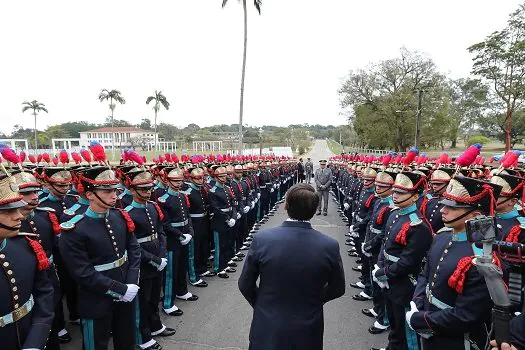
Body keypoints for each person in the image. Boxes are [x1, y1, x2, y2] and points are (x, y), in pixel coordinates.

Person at [238, 183, 346, 350]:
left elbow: (245, 284)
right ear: (314, 209)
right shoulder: (329, 245)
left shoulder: (263, 239)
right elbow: (338, 288)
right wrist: (315, 300)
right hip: (308, 326)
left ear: (286, 205)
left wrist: (262, 304)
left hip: (268, 324)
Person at [407, 175, 502, 350]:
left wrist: (421, 319)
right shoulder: (443, 235)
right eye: (444, 204)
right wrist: (418, 302)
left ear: (475, 215)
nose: (443, 210)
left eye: (452, 207)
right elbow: (425, 273)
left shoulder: (482, 257)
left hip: (457, 340)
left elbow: (466, 316)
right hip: (430, 329)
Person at [59, 166, 141, 350]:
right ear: (89, 194)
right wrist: (120, 289)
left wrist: (131, 282)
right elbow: (83, 273)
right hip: (95, 298)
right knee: (96, 344)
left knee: (127, 340)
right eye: (107, 191)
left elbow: (133, 250)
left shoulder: (120, 217)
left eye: (115, 190)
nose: (114, 195)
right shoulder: (75, 229)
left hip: (127, 291)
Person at [0, 170, 55, 350]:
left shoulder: (25, 245)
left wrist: (35, 342)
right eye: (7, 211)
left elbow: (43, 293)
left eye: (16, 209)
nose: (19, 216)